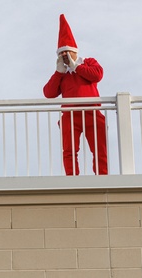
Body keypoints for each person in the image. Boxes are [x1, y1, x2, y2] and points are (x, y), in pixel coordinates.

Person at [43, 14, 108, 175]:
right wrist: (59, 72)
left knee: (99, 149)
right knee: (69, 150)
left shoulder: (87, 62)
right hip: (71, 116)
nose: (64, 56)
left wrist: (76, 67)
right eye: (61, 54)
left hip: (92, 112)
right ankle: (72, 178)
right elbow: (49, 93)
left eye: (67, 52)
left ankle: (102, 177)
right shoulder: (62, 74)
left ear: (74, 51)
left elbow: (97, 75)